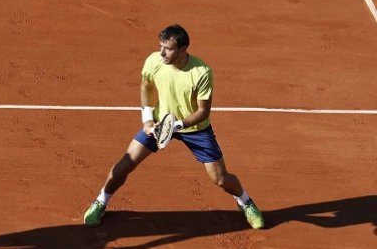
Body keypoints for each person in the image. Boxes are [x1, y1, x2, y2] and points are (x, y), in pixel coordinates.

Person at [83, 24, 265, 230]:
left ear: (183, 49)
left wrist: (176, 125)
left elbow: (203, 112)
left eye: (167, 48)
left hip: (194, 129)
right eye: (160, 46)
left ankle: (245, 202)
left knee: (221, 179)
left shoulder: (201, 72)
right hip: (160, 123)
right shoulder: (154, 61)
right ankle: (101, 201)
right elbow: (146, 86)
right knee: (124, 165)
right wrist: (148, 120)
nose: (161, 52)